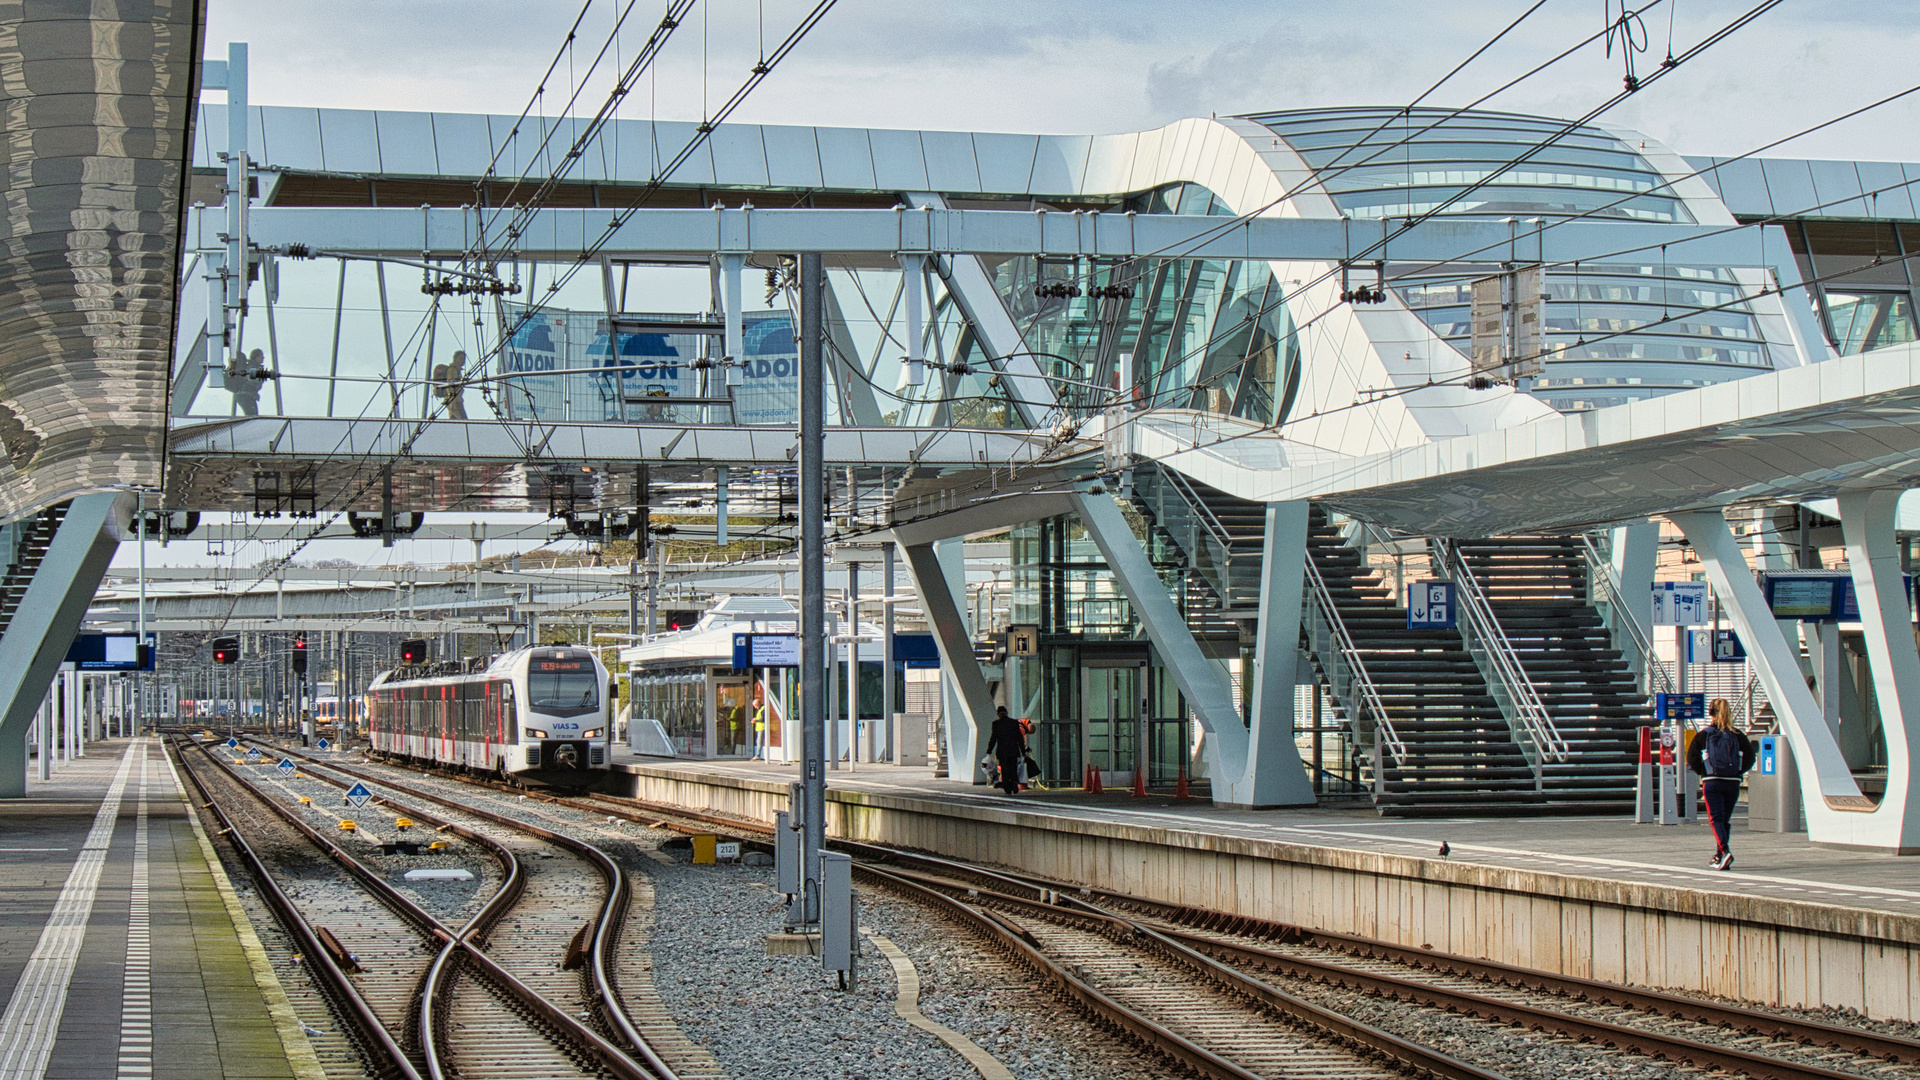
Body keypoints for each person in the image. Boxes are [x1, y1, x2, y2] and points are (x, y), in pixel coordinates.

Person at [1686, 698, 1757, 870]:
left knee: (1715, 819)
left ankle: (1725, 852)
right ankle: (1719, 856)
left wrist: (1704, 773)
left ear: (1711, 713)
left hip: (1712, 782)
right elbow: (1750, 758)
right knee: (1724, 819)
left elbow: (1692, 758)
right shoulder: (1738, 735)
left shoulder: (1704, 735)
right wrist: (1737, 772)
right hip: (1732, 783)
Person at [985, 705, 1026, 795]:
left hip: (1002, 751)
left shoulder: (996, 724)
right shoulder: (1014, 723)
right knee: (1013, 767)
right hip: (1013, 750)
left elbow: (993, 738)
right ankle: (1014, 781)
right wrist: (1023, 751)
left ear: (998, 714)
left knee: (1005, 769)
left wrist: (989, 750)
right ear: (1007, 713)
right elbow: (1020, 738)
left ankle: (1007, 788)